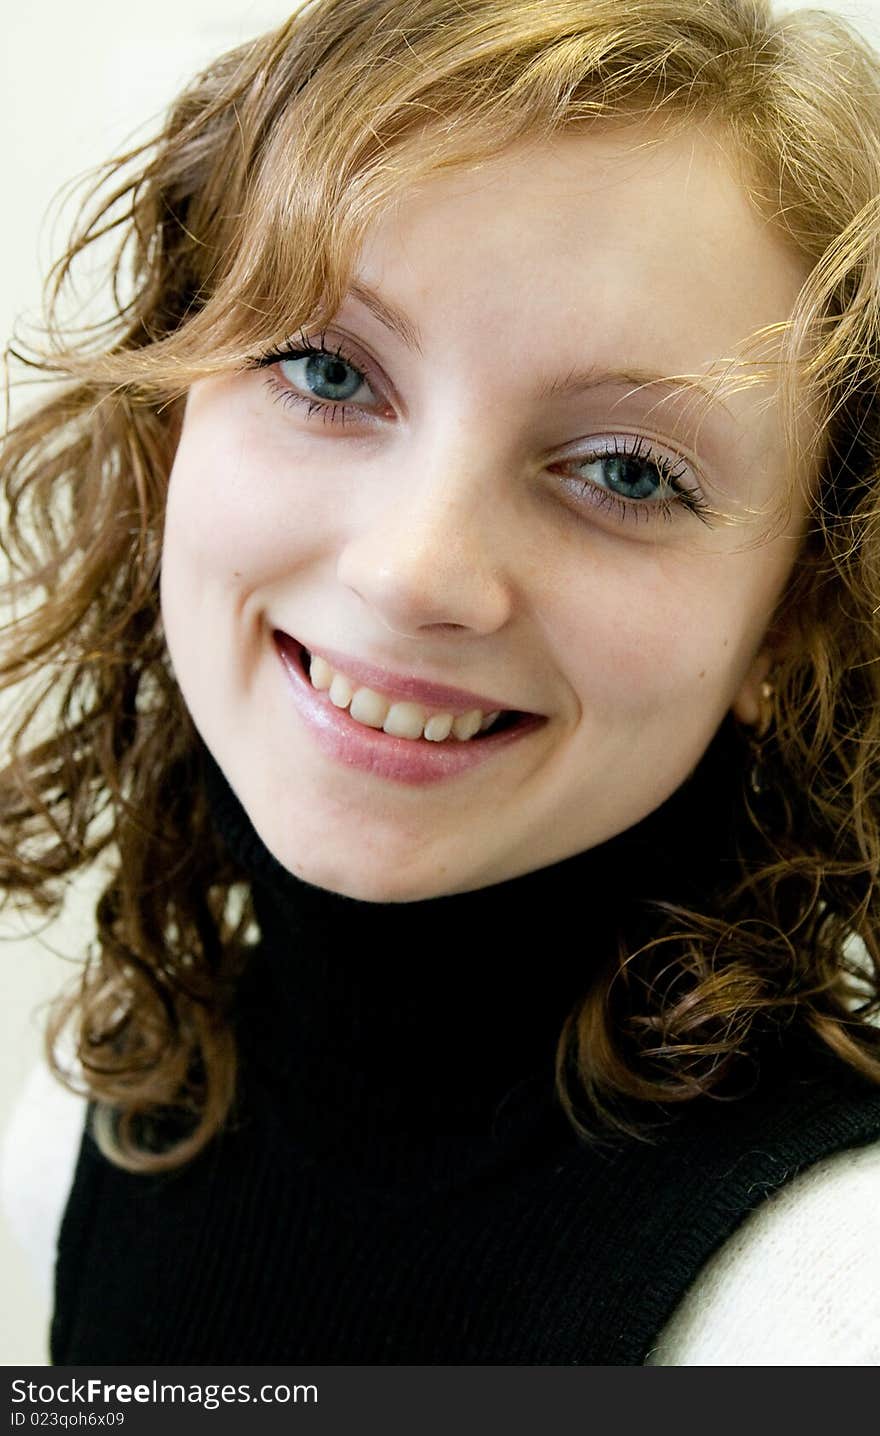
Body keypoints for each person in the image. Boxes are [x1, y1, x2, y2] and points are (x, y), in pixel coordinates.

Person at [2, 0, 880, 1366]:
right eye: (324, 367)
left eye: (630, 472)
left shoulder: (827, 1302)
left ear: (798, 618)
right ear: (169, 415)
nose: (416, 575)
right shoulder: (75, 1131)